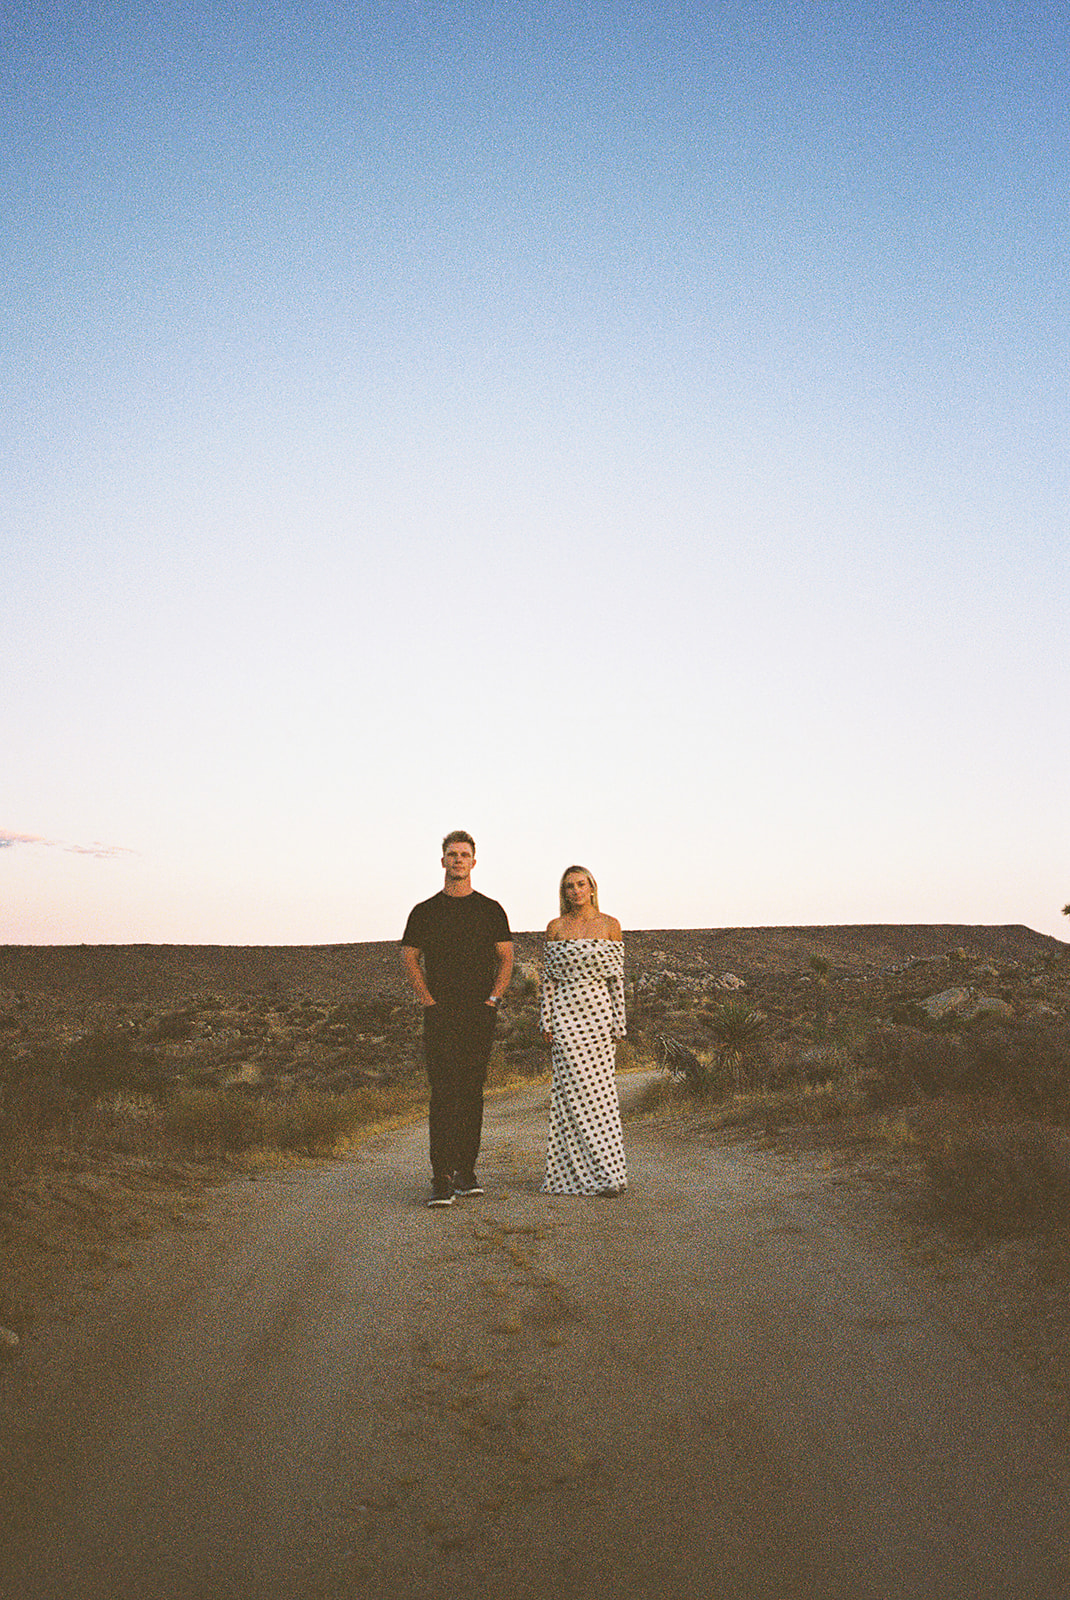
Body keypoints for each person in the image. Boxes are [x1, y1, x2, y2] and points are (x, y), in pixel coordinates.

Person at [402, 831, 513, 1207]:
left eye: (465, 855)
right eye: (452, 855)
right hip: (441, 1014)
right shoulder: (425, 911)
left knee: (471, 1092)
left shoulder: (490, 910)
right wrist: (428, 1001)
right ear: (443, 861)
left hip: (478, 1014)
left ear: (474, 862)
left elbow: (506, 957)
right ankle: (441, 1177)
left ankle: (466, 1171)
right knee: (443, 1092)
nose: (458, 860)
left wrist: (493, 999)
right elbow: (409, 957)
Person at [538, 865, 628, 1196]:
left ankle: (610, 1174)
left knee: (601, 1095)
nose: (575, 891)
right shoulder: (556, 927)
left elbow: (616, 979)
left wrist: (619, 1020)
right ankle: (571, 1176)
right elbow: (548, 981)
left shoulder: (610, 925)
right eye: (568, 887)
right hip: (565, 1015)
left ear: (591, 887)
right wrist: (546, 1020)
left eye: (580, 884)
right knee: (571, 1094)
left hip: (598, 1015)